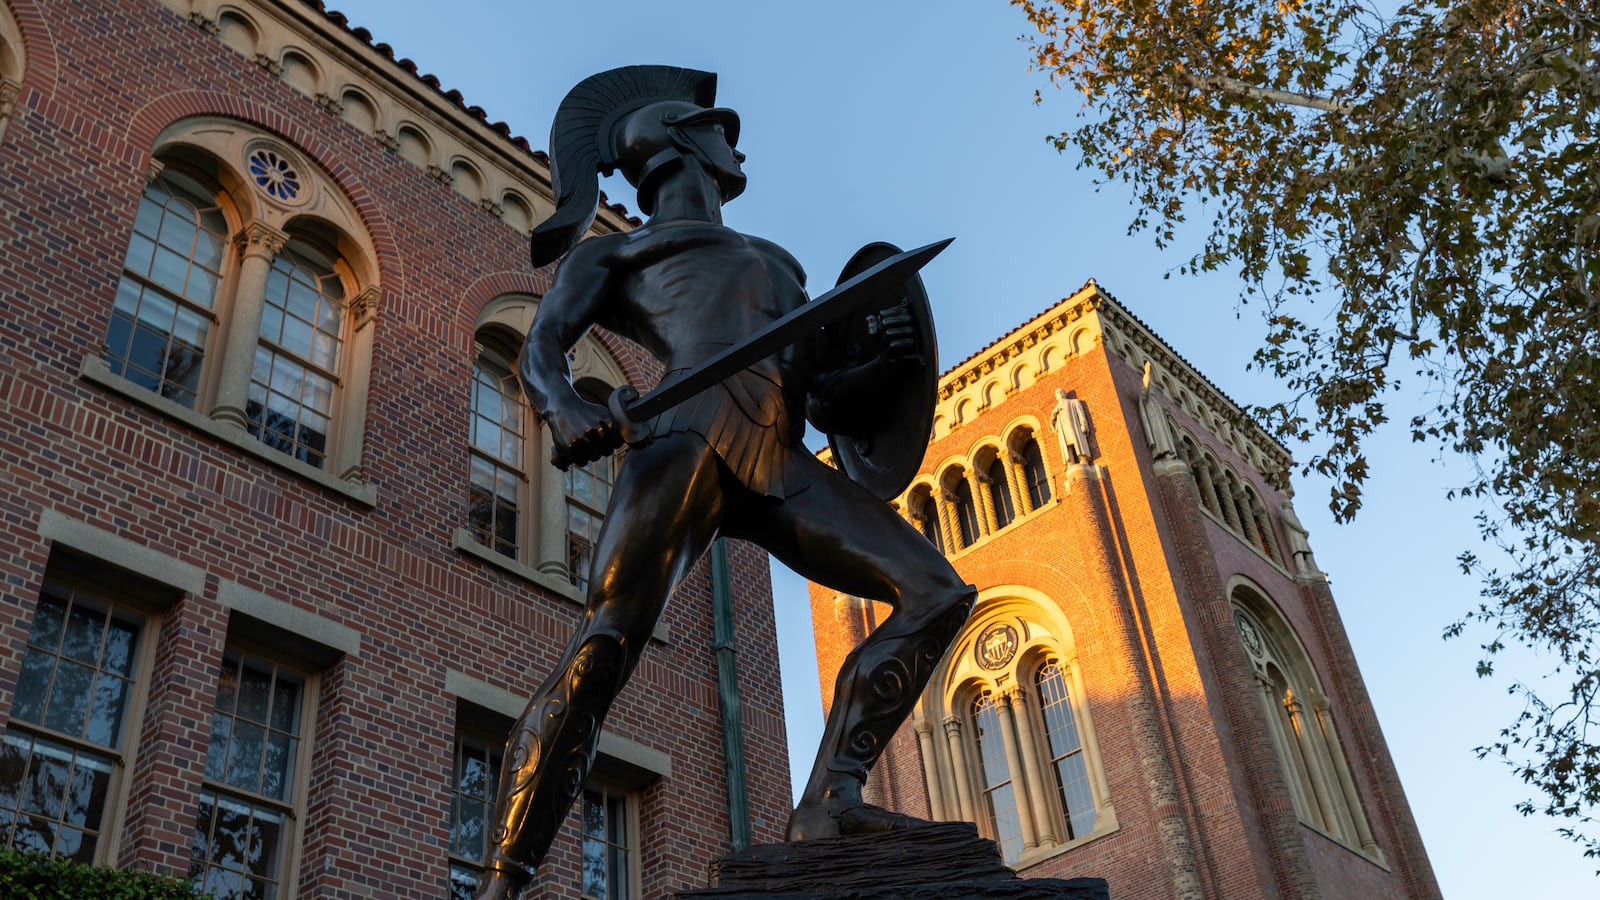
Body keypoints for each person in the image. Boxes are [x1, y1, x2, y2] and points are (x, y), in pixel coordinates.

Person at [475, 66, 974, 899]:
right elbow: (542, 346)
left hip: (779, 457)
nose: (734, 143)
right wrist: (562, 406)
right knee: (601, 652)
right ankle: (501, 883)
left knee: (936, 590)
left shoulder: (779, 265)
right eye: (719, 127)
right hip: (683, 439)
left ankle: (829, 803)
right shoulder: (619, 251)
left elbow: (816, 395)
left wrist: (884, 360)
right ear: (679, 143)